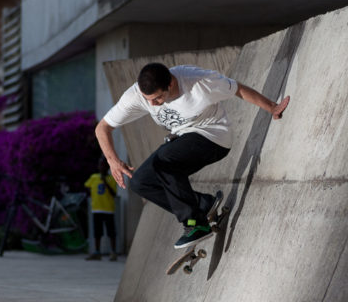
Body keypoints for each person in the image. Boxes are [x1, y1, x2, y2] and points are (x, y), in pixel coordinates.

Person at [94, 63, 290, 249]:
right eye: (148, 100)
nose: (152, 104)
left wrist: (272, 107)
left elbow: (238, 89)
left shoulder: (200, 82)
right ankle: (203, 205)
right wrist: (113, 161)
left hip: (214, 137)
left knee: (164, 161)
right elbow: (102, 128)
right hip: (181, 140)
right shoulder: (137, 95)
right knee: (140, 182)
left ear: (170, 83)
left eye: (158, 98)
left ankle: (195, 223)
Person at [84, 156, 118, 261]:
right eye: (100, 165)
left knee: (111, 232)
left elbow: (113, 193)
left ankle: (113, 252)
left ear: (107, 167)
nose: (101, 167)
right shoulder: (94, 177)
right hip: (97, 209)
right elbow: (87, 186)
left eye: (103, 165)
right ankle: (97, 252)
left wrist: (105, 183)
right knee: (97, 232)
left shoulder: (111, 178)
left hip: (108, 209)